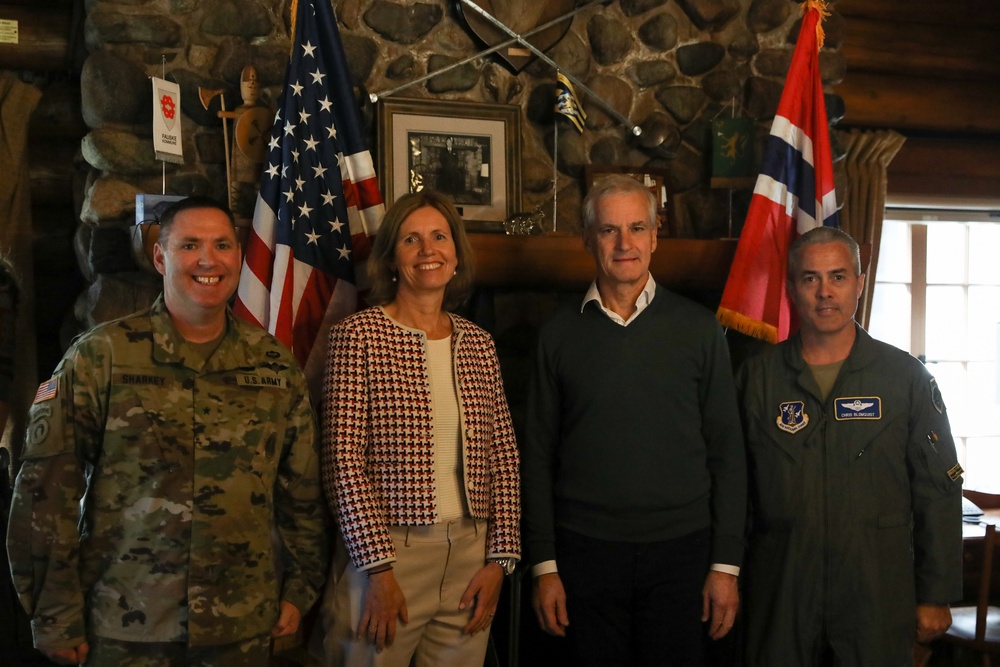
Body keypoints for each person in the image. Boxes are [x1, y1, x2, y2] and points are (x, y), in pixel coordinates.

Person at [6, 196, 328, 665]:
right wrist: (54, 614)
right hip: (127, 625)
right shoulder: (102, 357)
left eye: (222, 245)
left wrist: (301, 587)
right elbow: (44, 493)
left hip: (240, 622)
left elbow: (301, 490)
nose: (207, 259)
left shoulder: (274, 365)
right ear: (160, 257)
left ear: (238, 257)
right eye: (189, 245)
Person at [522, 174, 747, 666]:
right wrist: (544, 566)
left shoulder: (699, 330)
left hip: (683, 556)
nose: (624, 243)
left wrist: (726, 565)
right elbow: (534, 457)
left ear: (655, 236)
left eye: (637, 228)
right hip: (583, 555)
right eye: (608, 231)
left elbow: (728, 452)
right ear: (588, 240)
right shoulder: (557, 335)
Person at [736, 226, 963, 665]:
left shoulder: (906, 379)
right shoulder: (756, 379)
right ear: (791, 287)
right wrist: (726, 576)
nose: (825, 292)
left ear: (860, 283)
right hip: (781, 589)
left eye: (838, 277)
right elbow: (732, 489)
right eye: (810, 278)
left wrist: (936, 593)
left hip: (876, 591)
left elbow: (938, 490)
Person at [319, 190, 520, 666]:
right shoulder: (359, 335)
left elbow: (505, 457)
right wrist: (379, 570)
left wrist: (500, 559)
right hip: (389, 555)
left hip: (472, 553)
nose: (428, 250)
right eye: (412, 240)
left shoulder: (478, 344)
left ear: (455, 255)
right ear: (391, 259)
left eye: (439, 237)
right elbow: (341, 462)